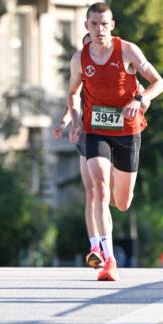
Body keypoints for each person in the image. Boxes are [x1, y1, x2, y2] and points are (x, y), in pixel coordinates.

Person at [68, 2, 163, 282]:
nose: (100, 29)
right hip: (96, 129)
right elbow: (73, 93)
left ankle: (115, 183)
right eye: (94, 24)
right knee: (98, 188)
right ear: (86, 26)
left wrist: (141, 98)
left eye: (104, 23)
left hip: (128, 131)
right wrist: (75, 119)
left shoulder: (128, 50)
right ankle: (108, 260)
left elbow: (159, 82)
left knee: (121, 202)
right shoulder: (79, 59)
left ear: (113, 24)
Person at [53, 33, 105, 269]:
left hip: (113, 135)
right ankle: (95, 247)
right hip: (86, 134)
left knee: (112, 195)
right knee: (92, 191)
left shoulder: (114, 70)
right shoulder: (81, 73)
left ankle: (104, 238)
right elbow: (71, 102)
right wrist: (65, 122)